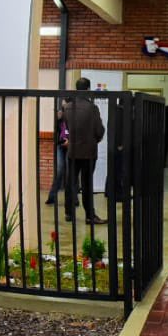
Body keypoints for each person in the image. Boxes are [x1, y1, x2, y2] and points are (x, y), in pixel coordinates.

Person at [63, 77, 106, 225]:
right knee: (87, 184)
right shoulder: (92, 108)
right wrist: (96, 138)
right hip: (88, 151)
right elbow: (99, 130)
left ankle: (69, 213)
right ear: (88, 89)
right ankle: (89, 215)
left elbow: (67, 128)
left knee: (70, 183)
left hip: (73, 151)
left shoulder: (67, 107)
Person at [45, 103, 69, 205]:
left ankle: (73, 199)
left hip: (70, 146)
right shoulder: (58, 121)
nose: (58, 113)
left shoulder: (71, 118)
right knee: (59, 171)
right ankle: (52, 196)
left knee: (70, 172)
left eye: (59, 112)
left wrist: (69, 140)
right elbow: (57, 133)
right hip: (60, 146)